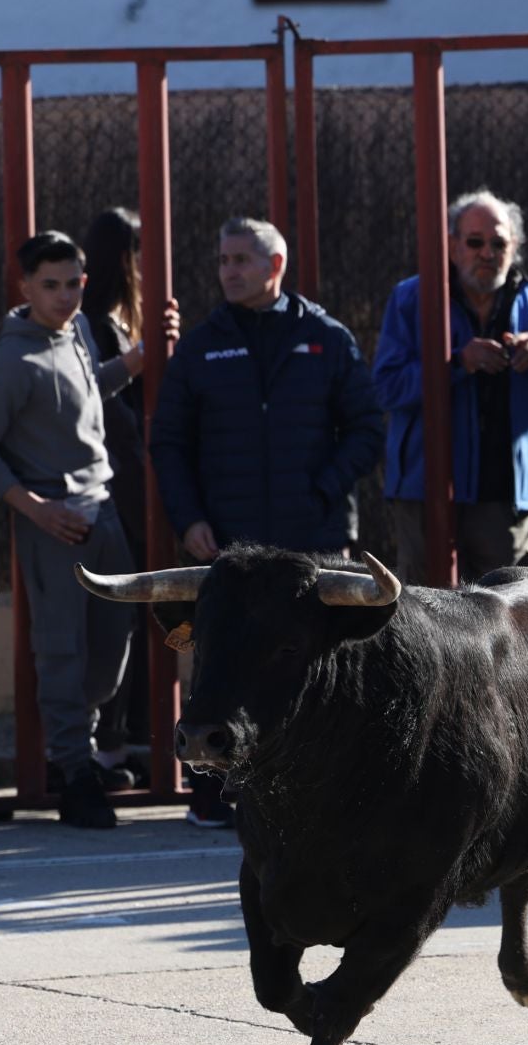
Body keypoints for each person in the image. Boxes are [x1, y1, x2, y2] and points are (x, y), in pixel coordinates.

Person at [150, 215, 381, 826]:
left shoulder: (326, 339)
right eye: (223, 260)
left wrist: (322, 489)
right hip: (229, 551)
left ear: (275, 266)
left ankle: (320, 790)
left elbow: (367, 428)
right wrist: (190, 517)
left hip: (314, 547)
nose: (228, 271)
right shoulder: (201, 346)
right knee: (221, 666)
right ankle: (214, 794)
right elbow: (169, 442)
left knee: (317, 671)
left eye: (241, 260)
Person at [0, 231, 165, 829]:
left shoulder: (73, 332)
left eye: (74, 283)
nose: (65, 296)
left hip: (102, 512)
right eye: (50, 285)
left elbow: (85, 396)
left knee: (111, 651)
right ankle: (75, 774)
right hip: (54, 524)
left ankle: (81, 752)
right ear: (25, 287)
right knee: (63, 653)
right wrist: (34, 508)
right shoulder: (11, 359)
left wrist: (137, 359)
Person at [374, 188, 528, 584]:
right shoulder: (412, 299)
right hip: (428, 490)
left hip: (507, 493)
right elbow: (386, 388)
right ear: (453, 246)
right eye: (474, 242)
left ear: (516, 247)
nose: (486, 253)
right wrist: (457, 363)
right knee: (425, 614)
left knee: (512, 612)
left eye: (498, 243)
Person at [80, 206, 152, 788]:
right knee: (115, 614)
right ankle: (106, 744)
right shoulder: (100, 324)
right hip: (119, 487)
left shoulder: (123, 321)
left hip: (135, 485)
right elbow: (109, 411)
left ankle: (127, 738)